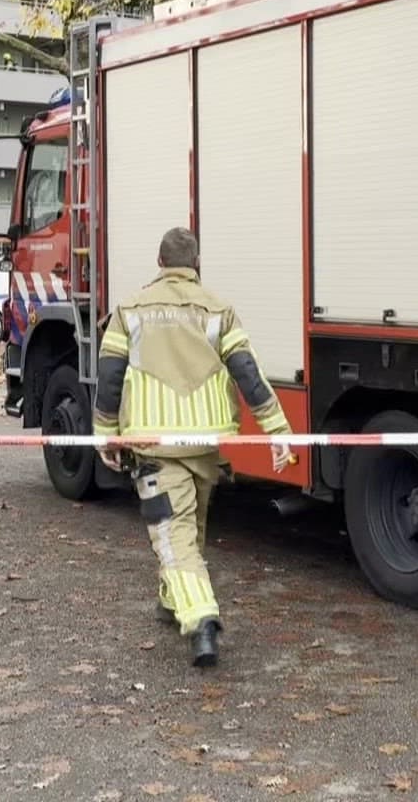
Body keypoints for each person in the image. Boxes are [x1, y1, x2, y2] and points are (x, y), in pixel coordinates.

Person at [93, 227, 293, 668]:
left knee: (173, 535)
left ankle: (200, 618)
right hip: (205, 444)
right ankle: (172, 599)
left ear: (160, 263)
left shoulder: (130, 309)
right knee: (190, 528)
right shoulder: (218, 309)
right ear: (196, 264)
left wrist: (106, 433)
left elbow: (109, 376)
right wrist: (277, 431)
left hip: (154, 444)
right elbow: (248, 374)